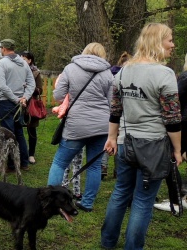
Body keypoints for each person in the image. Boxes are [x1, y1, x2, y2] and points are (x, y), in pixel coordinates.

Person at [101, 23, 181, 249]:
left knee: (120, 192)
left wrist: (112, 137)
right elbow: (172, 118)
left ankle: (107, 242)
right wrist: (177, 149)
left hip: (125, 143)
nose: (173, 45)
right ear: (157, 42)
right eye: (170, 40)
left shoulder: (125, 70)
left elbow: (115, 110)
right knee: (143, 200)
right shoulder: (165, 74)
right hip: (153, 146)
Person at [47, 42, 112, 212]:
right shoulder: (107, 74)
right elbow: (113, 102)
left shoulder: (70, 69)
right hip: (101, 126)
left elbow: (59, 95)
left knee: (60, 162)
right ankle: (88, 202)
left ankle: (51, 200)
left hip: (76, 125)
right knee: (95, 165)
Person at [153, 52, 187, 212]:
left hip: (183, 123)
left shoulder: (185, 77)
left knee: (171, 159)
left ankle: (176, 200)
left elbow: (173, 101)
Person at [0, 39, 35, 171]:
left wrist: (16, 99)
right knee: (19, 133)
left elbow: (2, 86)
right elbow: (31, 83)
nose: (0, 50)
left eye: (1, 48)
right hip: (20, 103)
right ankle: (24, 163)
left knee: (8, 135)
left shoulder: (1, 63)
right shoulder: (24, 63)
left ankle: (12, 165)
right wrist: (24, 97)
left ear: (4, 49)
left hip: (7, 102)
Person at [101, 51, 132, 179]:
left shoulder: (111, 74)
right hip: (123, 113)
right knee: (119, 142)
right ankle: (118, 170)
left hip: (110, 113)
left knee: (109, 139)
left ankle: (103, 167)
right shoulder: (127, 76)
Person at [20, 51, 43, 164]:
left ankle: (31, 154)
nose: (22, 60)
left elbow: (40, 90)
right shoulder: (17, 70)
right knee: (17, 129)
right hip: (18, 104)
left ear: (30, 60)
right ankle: (19, 152)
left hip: (31, 105)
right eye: (21, 58)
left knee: (31, 130)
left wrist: (29, 87)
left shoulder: (35, 73)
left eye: (24, 59)